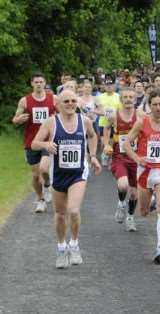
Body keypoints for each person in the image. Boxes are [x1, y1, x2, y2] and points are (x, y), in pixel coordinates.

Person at [31, 89, 101, 269]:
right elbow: (34, 143)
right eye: (66, 101)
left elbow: (93, 137)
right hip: (59, 174)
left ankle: (74, 245)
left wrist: (92, 156)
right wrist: (46, 144)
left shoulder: (84, 121)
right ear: (58, 105)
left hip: (78, 173)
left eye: (73, 101)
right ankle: (61, 248)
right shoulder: (51, 123)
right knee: (60, 215)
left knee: (74, 211)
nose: (70, 104)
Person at [123, 89, 160, 264]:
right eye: (154, 104)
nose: (158, 108)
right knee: (144, 211)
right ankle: (153, 201)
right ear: (150, 106)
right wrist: (136, 158)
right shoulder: (142, 123)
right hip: (145, 172)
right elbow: (126, 143)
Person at [12, 72, 57, 212]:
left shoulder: (53, 99)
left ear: (44, 83)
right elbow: (15, 119)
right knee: (36, 175)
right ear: (32, 83)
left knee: (44, 169)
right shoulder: (24, 101)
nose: (38, 84)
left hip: (48, 141)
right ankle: (40, 199)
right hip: (31, 141)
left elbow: (63, 115)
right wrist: (18, 120)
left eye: (41, 82)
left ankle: (48, 184)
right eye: (36, 82)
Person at [103, 87, 139, 232]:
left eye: (131, 97)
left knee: (134, 193)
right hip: (120, 157)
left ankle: (130, 217)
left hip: (136, 158)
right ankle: (121, 203)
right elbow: (106, 128)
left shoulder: (141, 116)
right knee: (123, 185)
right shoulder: (114, 116)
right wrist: (106, 144)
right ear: (121, 99)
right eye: (125, 97)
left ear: (135, 99)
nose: (128, 99)